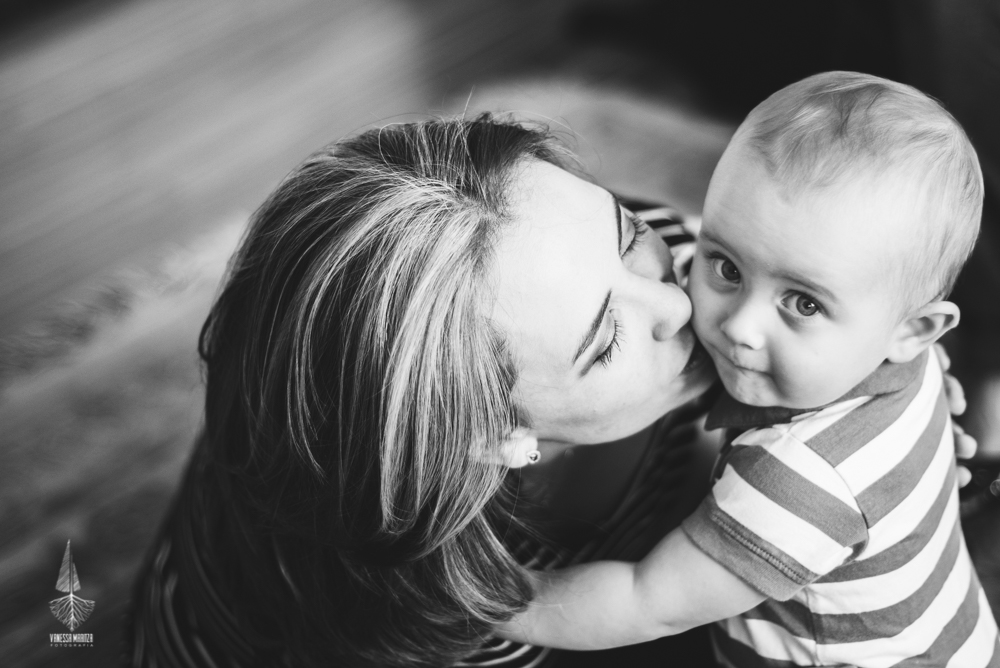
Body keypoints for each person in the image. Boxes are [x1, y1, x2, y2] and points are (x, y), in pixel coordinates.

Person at [124, 112, 976, 667]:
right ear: (491, 438)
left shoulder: (664, 272)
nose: (684, 302)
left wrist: (878, 406)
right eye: (605, 341)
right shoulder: (440, 622)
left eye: (626, 235)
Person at [498, 73, 999, 666]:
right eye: (728, 267)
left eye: (803, 304)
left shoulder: (797, 482)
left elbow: (647, 601)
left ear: (913, 331)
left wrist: (494, 603)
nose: (739, 326)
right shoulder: (885, 341)